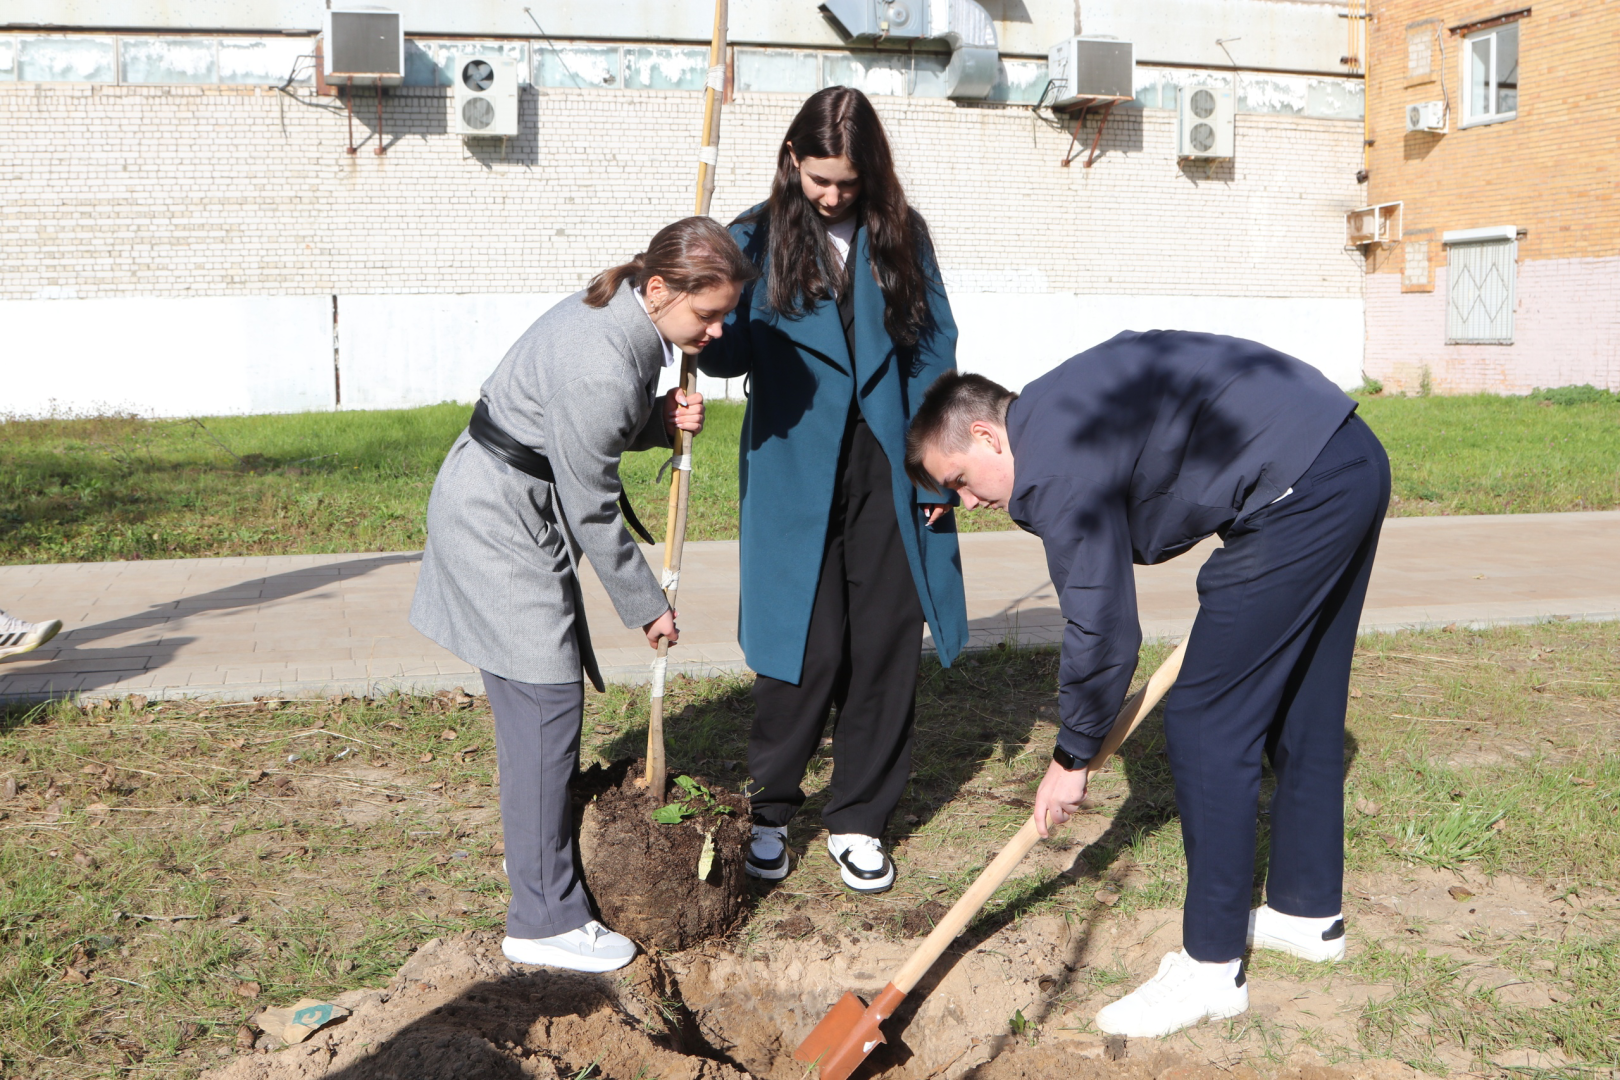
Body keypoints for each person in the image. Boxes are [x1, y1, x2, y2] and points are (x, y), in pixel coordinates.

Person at [903, 331, 1389, 1038]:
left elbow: (1103, 627)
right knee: (1304, 702)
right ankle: (1304, 911)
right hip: (1346, 456)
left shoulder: (1052, 464)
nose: (967, 503)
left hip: (1297, 490)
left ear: (985, 434)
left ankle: (1210, 969)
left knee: (1203, 721)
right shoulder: (1058, 412)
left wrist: (1072, 755)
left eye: (957, 481)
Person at [410, 217, 757, 974]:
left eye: (725, 315)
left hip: (498, 497)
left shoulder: (618, 317)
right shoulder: (602, 358)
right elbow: (591, 502)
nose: (717, 331)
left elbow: (571, 426)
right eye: (708, 315)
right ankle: (543, 919)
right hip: (497, 519)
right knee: (544, 703)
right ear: (659, 289)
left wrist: (656, 419)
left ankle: (534, 856)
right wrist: (646, 603)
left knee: (533, 709)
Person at [698, 86, 968, 895]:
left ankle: (858, 820)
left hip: (888, 459)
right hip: (794, 464)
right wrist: (702, 302)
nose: (831, 195)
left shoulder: (902, 234)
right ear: (792, 159)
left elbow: (934, 350)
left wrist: (935, 466)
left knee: (885, 640)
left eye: (848, 181)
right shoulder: (753, 235)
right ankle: (771, 811)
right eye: (819, 179)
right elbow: (726, 352)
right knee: (803, 647)